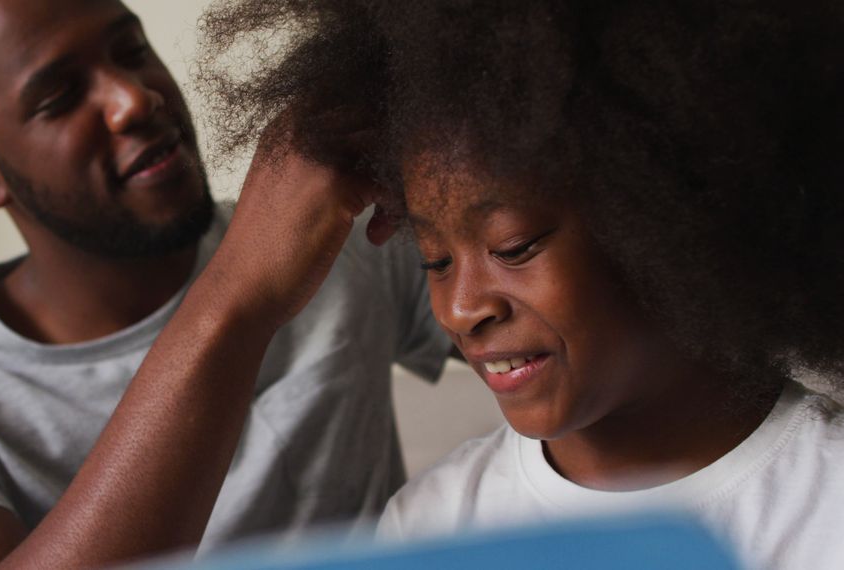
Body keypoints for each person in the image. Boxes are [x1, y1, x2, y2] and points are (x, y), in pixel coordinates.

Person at [198, 0, 844, 568]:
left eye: (513, 246)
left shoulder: (825, 497)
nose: (460, 309)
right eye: (434, 260)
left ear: (670, 221)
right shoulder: (432, 526)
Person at [0, 0, 452, 568]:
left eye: (131, 52)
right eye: (61, 96)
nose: (133, 98)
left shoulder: (338, 234)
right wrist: (238, 295)